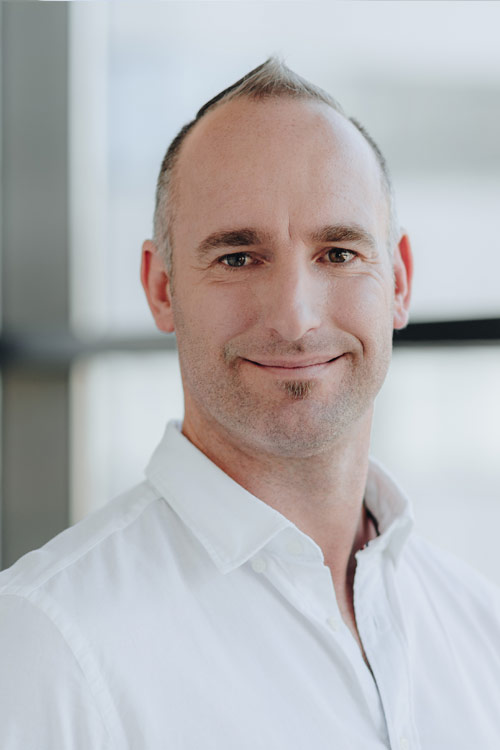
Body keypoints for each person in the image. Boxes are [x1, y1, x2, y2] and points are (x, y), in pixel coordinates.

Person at [0, 58, 499, 749]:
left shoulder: (479, 629)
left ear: (400, 282)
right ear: (162, 288)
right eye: (237, 258)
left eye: (339, 253)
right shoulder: (46, 647)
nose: (295, 319)